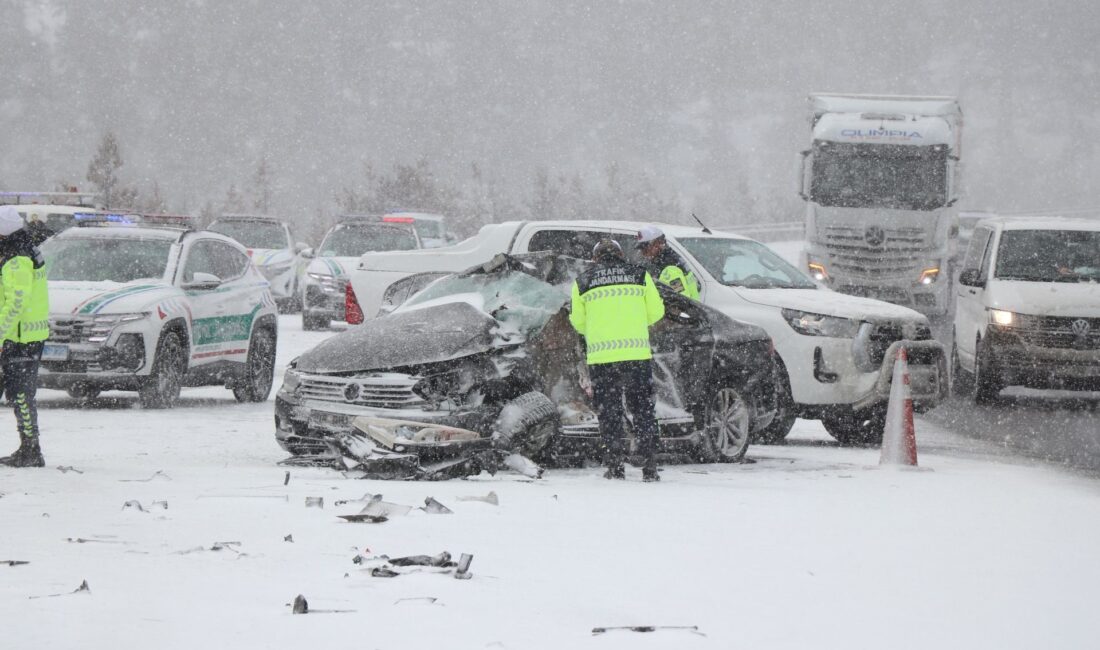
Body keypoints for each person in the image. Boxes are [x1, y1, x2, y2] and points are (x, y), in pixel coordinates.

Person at [569, 239, 665, 481]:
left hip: (602, 358)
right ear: (621, 255)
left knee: (609, 412)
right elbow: (657, 312)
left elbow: (577, 322)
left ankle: (614, 465)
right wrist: (632, 322)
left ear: (595, 258)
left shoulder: (582, 282)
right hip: (636, 355)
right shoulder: (640, 275)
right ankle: (649, 465)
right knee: (643, 409)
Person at [0, 206, 50, 468]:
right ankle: (30, 448)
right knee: (19, 393)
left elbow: (16, 302)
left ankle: (31, 450)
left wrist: (0, 336)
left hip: (20, 337)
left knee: (20, 394)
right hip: (21, 335)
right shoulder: (21, 247)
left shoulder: (17, 257)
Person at [635, 225, 700, 300]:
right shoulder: (668, 259)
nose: (643, 253)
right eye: (642, 250)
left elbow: (681, 299)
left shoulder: (669, 269)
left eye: (645, 248)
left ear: (657, 243)